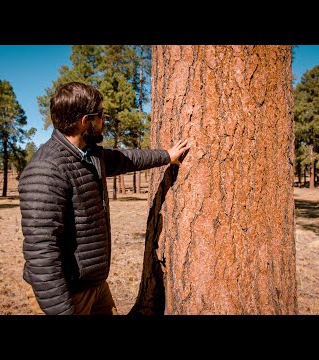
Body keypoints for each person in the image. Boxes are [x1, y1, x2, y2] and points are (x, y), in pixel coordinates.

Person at [18, 81, 190, 315]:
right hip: (66, 295)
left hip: (95, 286)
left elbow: (126, 159)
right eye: (101, 115)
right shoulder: (46, 170)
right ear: (85, 121)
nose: (104, 120)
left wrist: (166, 156)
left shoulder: (88, 154)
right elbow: (41, 252)